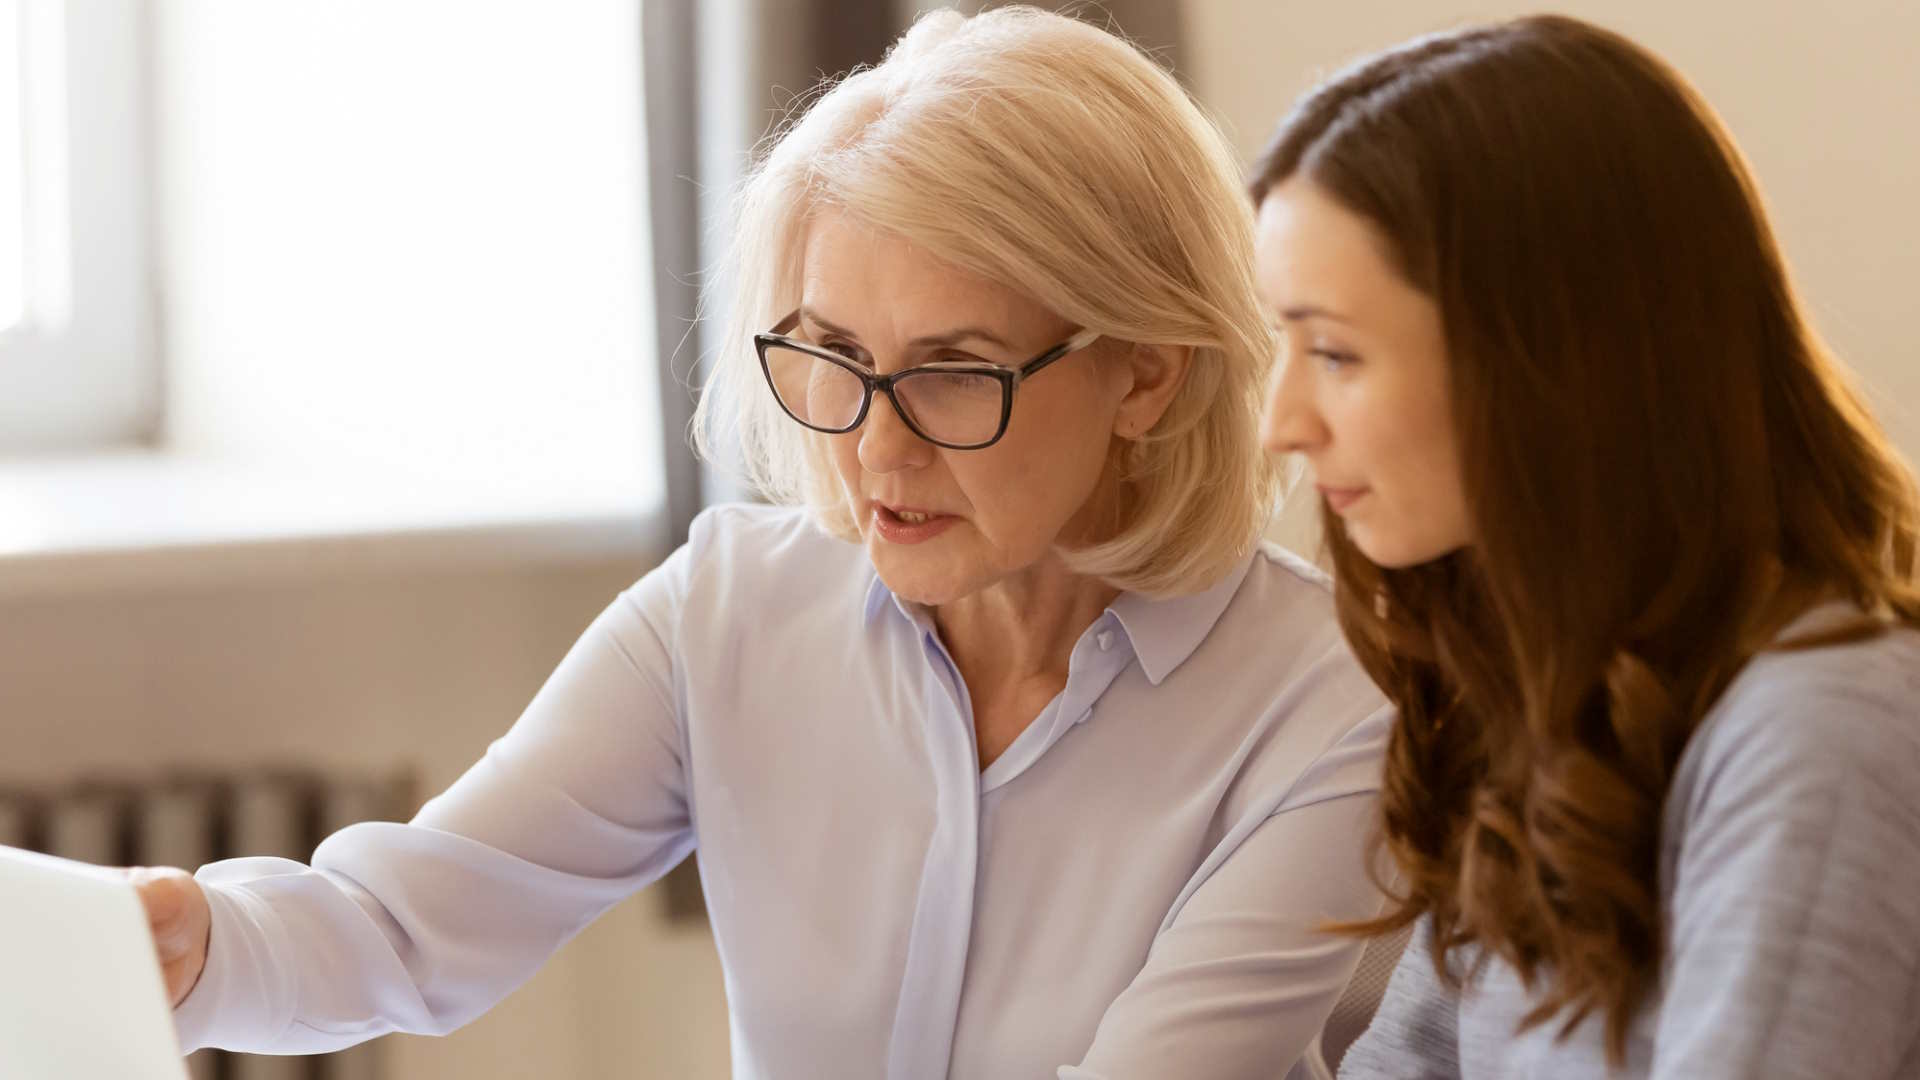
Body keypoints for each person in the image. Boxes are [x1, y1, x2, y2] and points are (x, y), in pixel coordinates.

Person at [131, 8, 1393, 1078]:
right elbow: (405, 923)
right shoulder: (727, 611)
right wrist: (194, 938)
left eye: (954, 373)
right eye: (834, 356)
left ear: (1149, 376)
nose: (876, 452)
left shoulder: (1327, 710)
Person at [1251, 14, 1920, 1079]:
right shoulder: (1553, 704)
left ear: (1545, 365)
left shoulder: (1823, 725)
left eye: (1333, 351)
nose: (1281, 421)